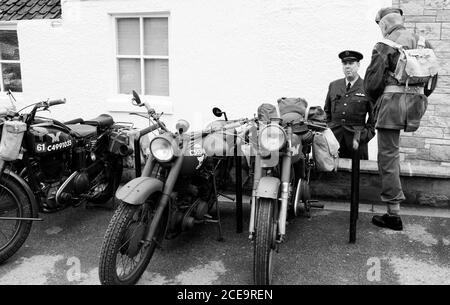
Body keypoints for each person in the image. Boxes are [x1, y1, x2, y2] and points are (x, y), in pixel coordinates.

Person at [364, 7, 438, 231]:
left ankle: (393, 214)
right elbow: (432, 80)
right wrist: (418, 98)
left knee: (388, 156)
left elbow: (372, 85)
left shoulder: (384, 46)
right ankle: (393, 206)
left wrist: (377, 101)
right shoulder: (424, 42)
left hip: (391, 106)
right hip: (415, 105)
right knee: (393, 155)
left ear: (384, 24)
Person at [324, 50, 375, 160]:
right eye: (344, 63)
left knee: (357, 174)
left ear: (358, 65)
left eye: (351, 63)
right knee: (332, 174)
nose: (347, 67)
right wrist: (329, 131)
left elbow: (373, 119)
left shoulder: (367, 86)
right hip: (334, 141)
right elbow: (326, 112)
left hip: (356, 142)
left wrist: (362, 136)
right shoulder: (334, 85)